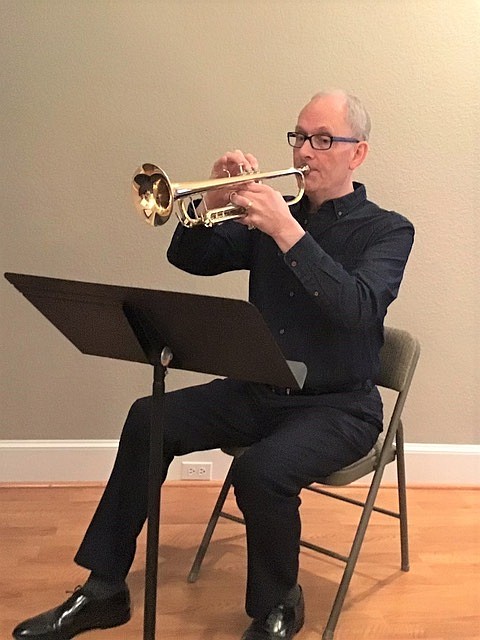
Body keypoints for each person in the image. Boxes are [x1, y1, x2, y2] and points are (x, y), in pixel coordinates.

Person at [13, 89, 414, 640]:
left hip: (339, 405)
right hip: (261, 386)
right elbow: (191, 259)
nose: (304, 153)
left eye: (323, 140)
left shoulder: (387, 230)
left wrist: (285, 230)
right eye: (299, 138)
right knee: (146, 417)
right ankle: (104, 589)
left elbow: (358, 307)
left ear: (358, 153)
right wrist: (209, 201)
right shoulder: (273, 217)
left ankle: (279, 604)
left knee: (261, 470)